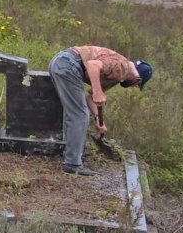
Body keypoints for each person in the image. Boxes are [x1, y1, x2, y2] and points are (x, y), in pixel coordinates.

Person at [49, 45, 153, 176]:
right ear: (138, 78)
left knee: (75, 112)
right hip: (68, 64)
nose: (132, 86)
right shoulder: (122, 67)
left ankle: (74, 156)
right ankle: (72, 164)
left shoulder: (117, 75)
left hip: (62, 62)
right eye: (136, 85)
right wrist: (98, 91)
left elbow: (91, 98)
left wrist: (99, 119)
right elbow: (93, 65)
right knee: (80, 116)